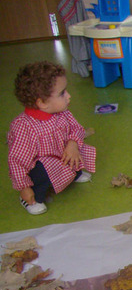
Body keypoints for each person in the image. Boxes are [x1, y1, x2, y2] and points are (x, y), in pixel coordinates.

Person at [8, 61, 96, 215]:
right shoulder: (23, 127)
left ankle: (73, 174)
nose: (69, 96)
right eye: (62, 93)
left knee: (76, 148)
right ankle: (34, 198)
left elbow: (77, 129)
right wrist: (24, 187)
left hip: (63, 155)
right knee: (42, 171)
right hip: (43, 165)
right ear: (42, 103)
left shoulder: (63, 113)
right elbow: (17, 161)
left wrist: (73, 143)